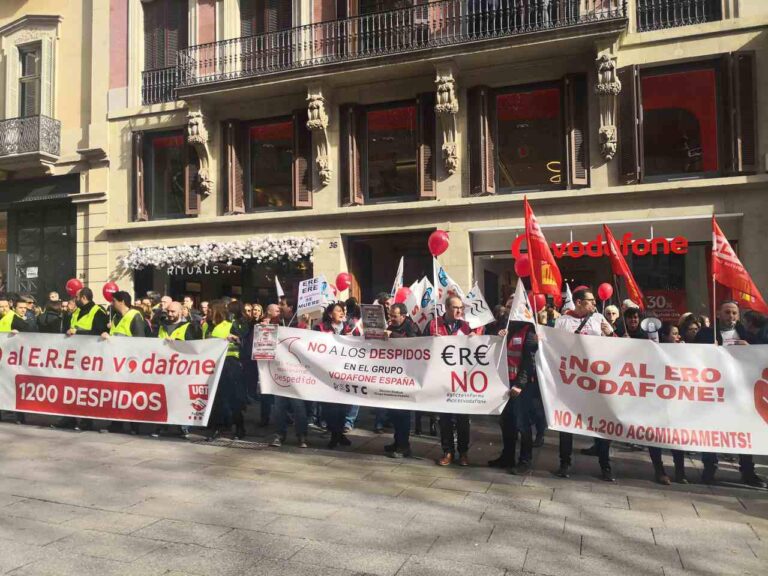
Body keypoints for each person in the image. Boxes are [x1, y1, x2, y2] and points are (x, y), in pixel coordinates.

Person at [695, 301, 766, 488]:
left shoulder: (748, 335)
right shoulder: (705, 334)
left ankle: (748, 472)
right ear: (719, 314)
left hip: (740, 394)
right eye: (727, 312)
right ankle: (709, 470)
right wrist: (709, 349)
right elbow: (692, 355)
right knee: (711, 431)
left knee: (743, 431)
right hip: (715, 393)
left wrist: (749, 347)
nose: (731, 316)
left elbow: (761, 357)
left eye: (734, 313)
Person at [554, 288, 616, 482]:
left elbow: (615, 346)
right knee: (567, 422)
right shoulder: (563, 321)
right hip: (571, 381)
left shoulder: (598, 319)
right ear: (579, 302)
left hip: (594, 381)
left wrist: (611, 333)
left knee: (600, 422)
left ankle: (605, 465)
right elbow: (554, 346)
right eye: (590, 301)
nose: (593, 304)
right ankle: (565, 462)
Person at [490, 314, 539, 474]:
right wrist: (498, 336)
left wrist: (520, 384)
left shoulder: (529, 331)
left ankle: (525, 460)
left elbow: (529, 360)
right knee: (506, 422)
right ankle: (507, 457)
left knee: (522, 424)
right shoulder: (505, 326)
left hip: (521, 387)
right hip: (504, 383)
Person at [429, 295, 474, 466]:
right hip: (442, 378)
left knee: (463, 418)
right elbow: (420, 345)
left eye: (461, 308)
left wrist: (473, 341)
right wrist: (431, 341)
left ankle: (463, 452)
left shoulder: (466, 326)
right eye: (455, 307)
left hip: (461, 379)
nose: (459, 311)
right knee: (445, 418)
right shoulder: (434, 324)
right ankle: (447, 451)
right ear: (446, 308)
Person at [646, 321, 688, 484]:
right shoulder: (654, 351)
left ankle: (680, 471)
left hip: (676, 400)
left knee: (676, 436)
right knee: (655, 436)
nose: (678, 337)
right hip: (656, 400)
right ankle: (660, 471)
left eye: (678, 334)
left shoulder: (684, 350)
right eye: (674, 334)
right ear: (664, 336)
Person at [152, 301, 201, 438]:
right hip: (162, 368)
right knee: (162, 398)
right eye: (168, 311)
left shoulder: (188, 327)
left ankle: (183, 427)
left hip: (181, 369)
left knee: (181, 398)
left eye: (173, 311)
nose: (170, 314)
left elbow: (193, 348)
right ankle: (161, 426)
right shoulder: (162, 327)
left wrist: (177, 345)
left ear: (180, 311)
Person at [314, 302, 356, 449]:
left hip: (345, 373)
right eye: (338, 311)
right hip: (327, 372)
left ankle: (339, 434)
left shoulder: (349, 328)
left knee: (343, 405)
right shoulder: (320, 328)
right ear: (331, 314)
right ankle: (334, 434)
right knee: (330, 406)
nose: (342, 313)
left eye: (343, 310)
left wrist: (353, 338)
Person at [205, 300, 247, 440]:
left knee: (233, 397)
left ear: (216, 311)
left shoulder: (230, 325)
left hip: (230, 363)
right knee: (218, 397)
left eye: (210, 311)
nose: (207, 313)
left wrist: (235, 338)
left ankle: (239, 427)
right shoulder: (208, 326)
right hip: (213, 364)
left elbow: (241, 342)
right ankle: (219, 427)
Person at [383, 303, 419, 458]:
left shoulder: (412, 327)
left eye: (394, 316)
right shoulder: (390, 326)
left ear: (403, 316)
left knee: (402, 412)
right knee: (394, 412)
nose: (391, 318)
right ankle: (397, 442)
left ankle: (404, 446)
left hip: (406, 376)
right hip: (392, 375)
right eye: (390, 315)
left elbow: (414, 343)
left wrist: (392, 336)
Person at [0, 294, 31, 424]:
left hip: (13, 360)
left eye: (6, 306)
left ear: (10, 306)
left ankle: (19, 416)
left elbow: (31, 332)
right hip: (2, 359)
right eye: (0, 307)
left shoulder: (14, 318)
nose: (3, 309)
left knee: (14, 387)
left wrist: (19, 334)